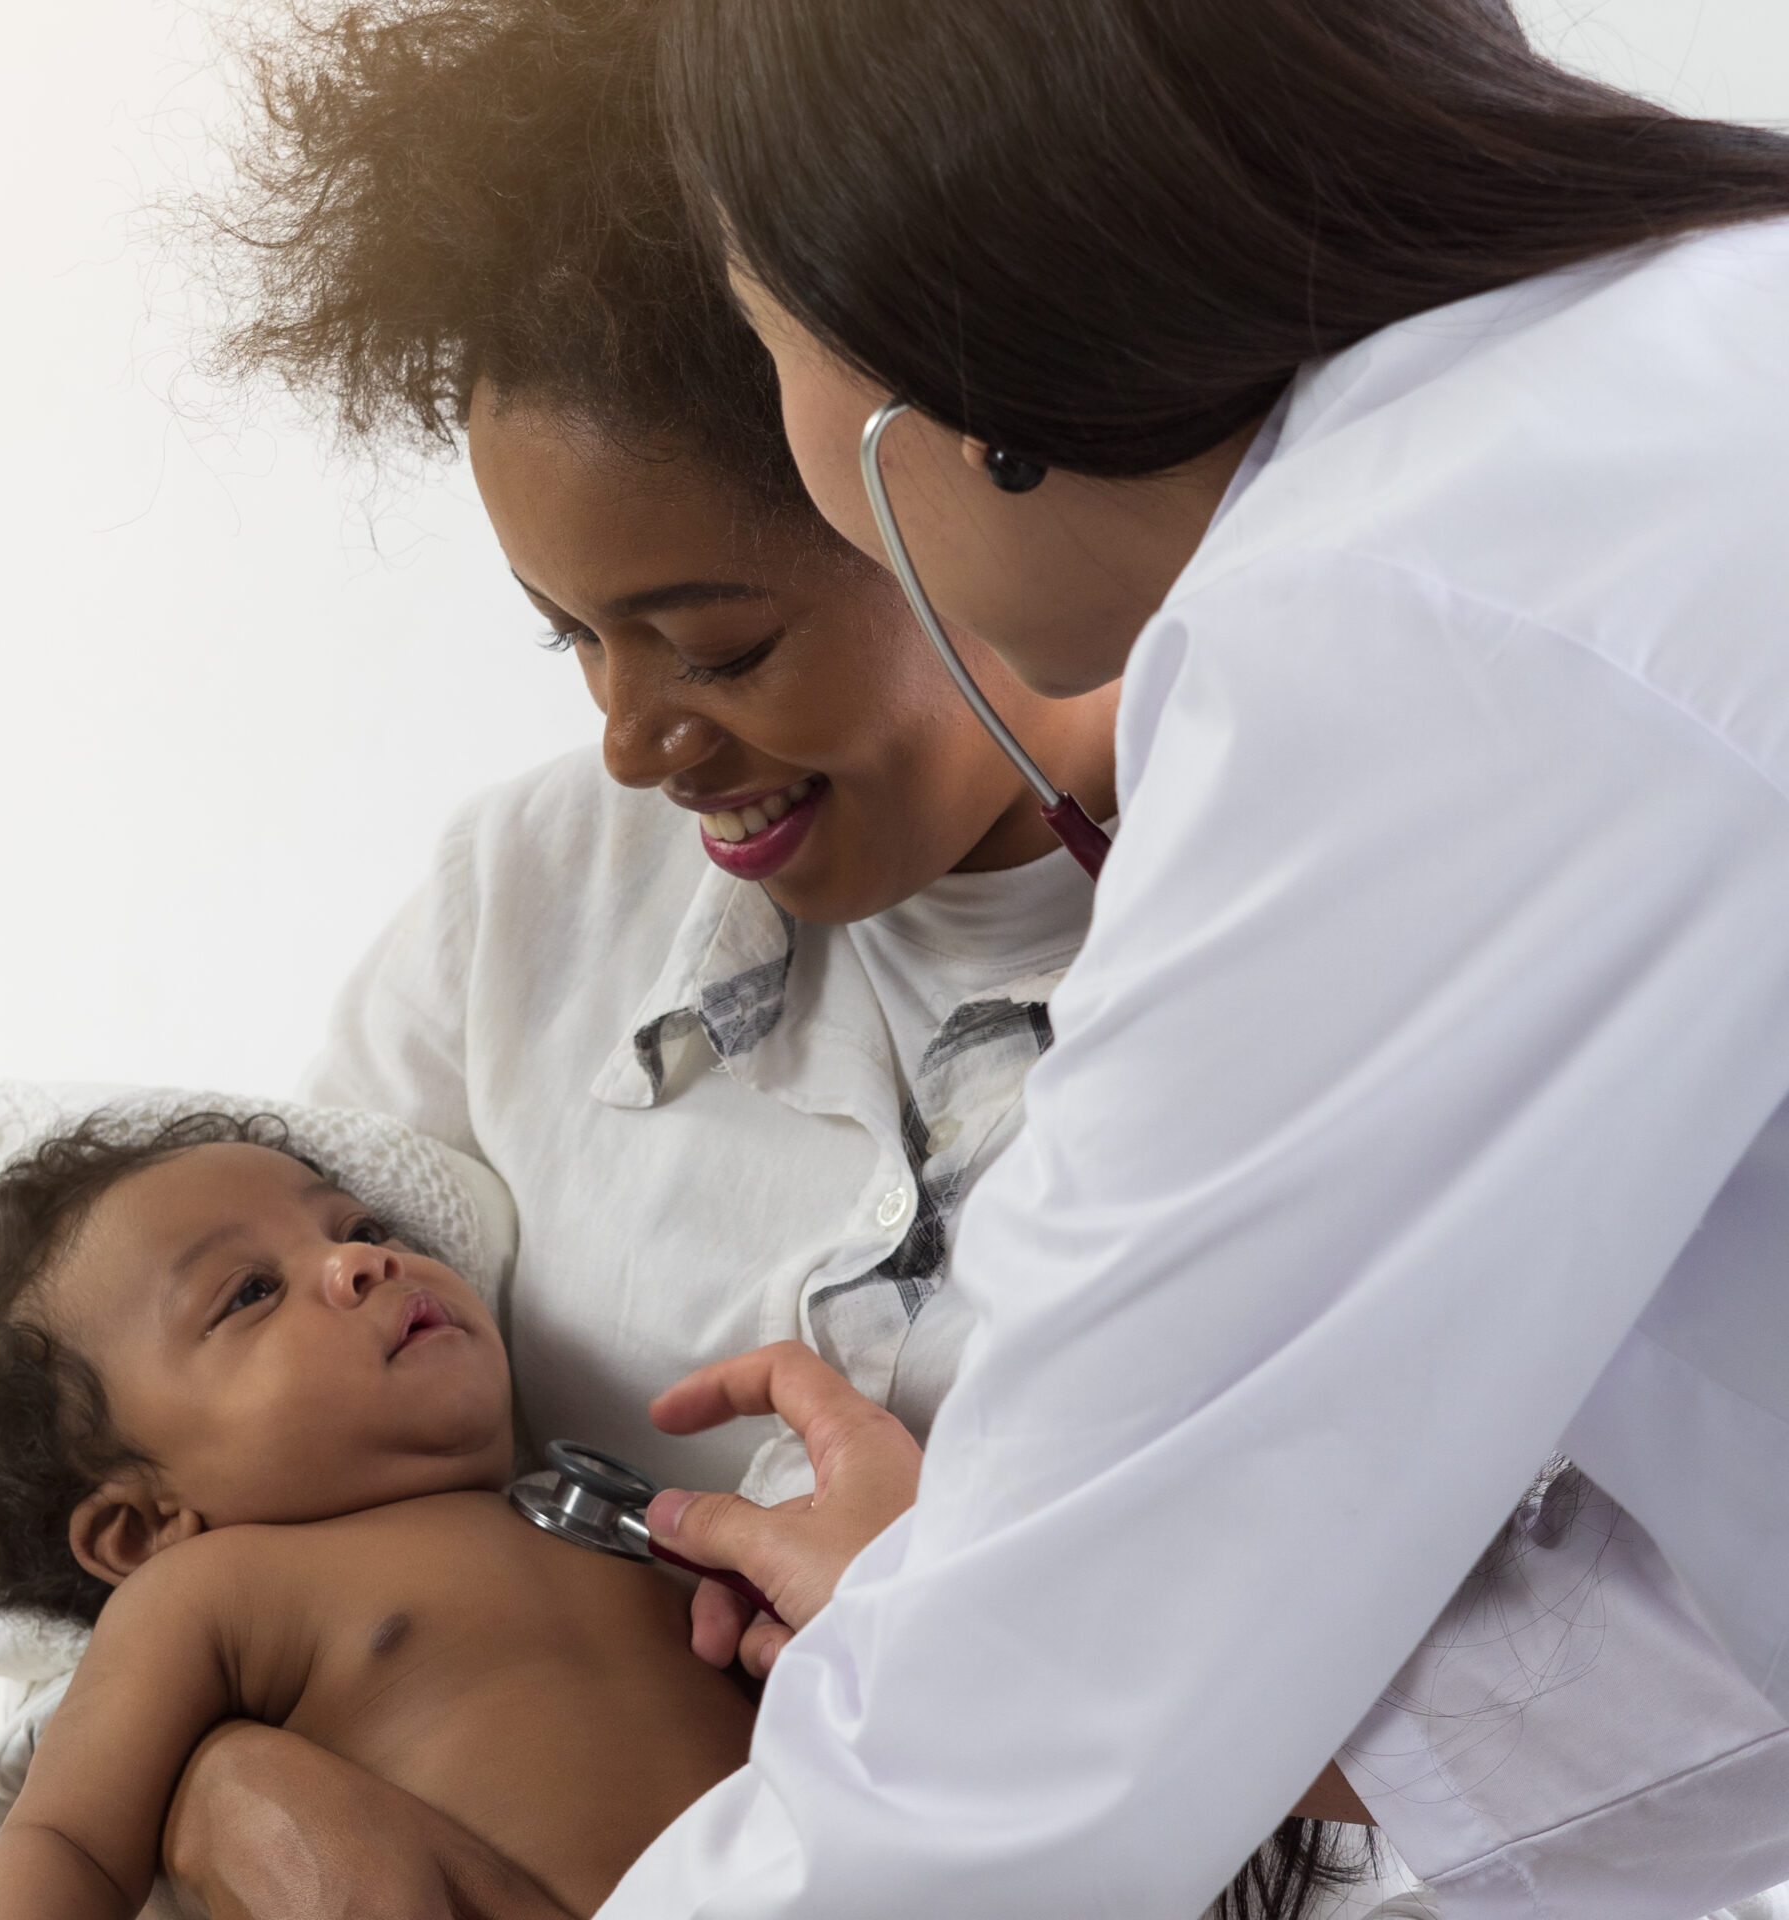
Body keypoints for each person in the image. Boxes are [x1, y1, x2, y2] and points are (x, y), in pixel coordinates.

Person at [140, 3, 1376, 1915]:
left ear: (970, 476)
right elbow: (196, 1437)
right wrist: (218, 1784)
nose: (633, 740)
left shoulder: (1333, 933)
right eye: (569, 639)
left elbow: (1562, 1683)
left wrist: (976, 1641)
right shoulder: (527, 905)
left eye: (711, 644)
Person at [598, 1, 1789, 1915]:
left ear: (943, 350)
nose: (632, 738)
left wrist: (987, 1614)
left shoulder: (1390, 627)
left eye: (764, 345)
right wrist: (985, 1608)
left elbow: (993, 1784)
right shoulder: (1682, 357)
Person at [0, 1110, 765, 1919]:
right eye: (251, 1293)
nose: (362, 1262)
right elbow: (68, 1840)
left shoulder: (610, 1518)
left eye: (358, 1229)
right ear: (143, 1528)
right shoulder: (215, 1590)